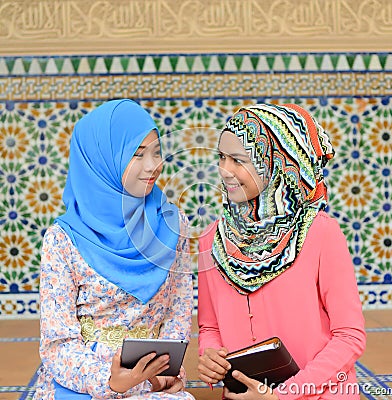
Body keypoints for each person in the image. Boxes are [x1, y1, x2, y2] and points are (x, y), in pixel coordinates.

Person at [197, 103, 366, 399]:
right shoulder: (212, 240)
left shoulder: (321, 233)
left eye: (239, 160)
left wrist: (281, 395)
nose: (225, 171)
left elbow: (349, 337)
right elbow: (210, 326)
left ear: (277, 162)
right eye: (222, 158)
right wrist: (210, 356)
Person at [34, 99, 194, 399]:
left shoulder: (173, 226)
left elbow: (178, 314)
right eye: (137, 154)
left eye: (157, 152)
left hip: (155, 384)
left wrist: (169, 373)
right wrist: (111, 381)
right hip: (82, 383)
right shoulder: (62, 239)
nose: (153, 166)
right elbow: (57, 344)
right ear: (102, 160)